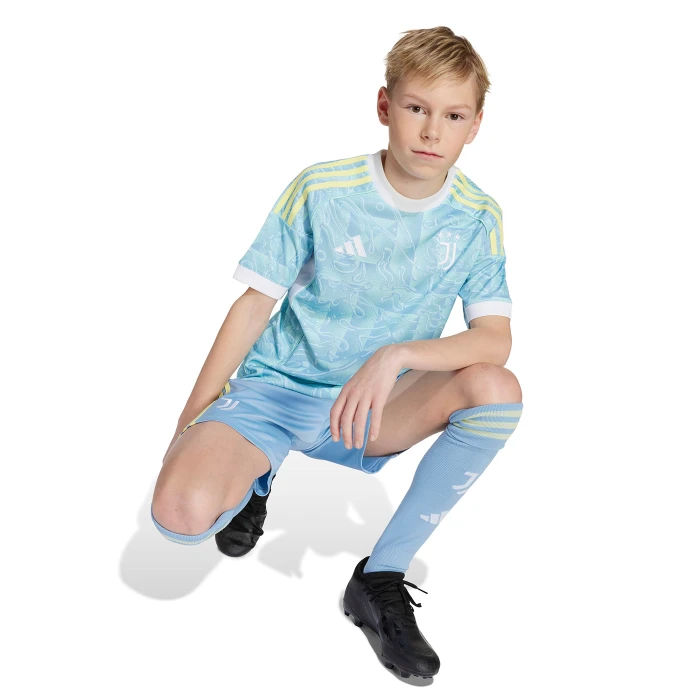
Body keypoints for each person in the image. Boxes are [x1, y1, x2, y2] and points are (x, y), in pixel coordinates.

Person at [151, 25, 523, 680]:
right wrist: (192, 418)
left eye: (452, 116)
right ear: (385, 106)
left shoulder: (477, 216)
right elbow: (253, 306)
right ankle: (256, 476)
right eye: (416, 108)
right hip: (274, 393)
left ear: (475, 126)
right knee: (179, 517)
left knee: (498, 388)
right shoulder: (321, 188)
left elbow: (495, 338)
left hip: (372, 409)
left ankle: (379, 578)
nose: (431, 131)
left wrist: (395, 356)